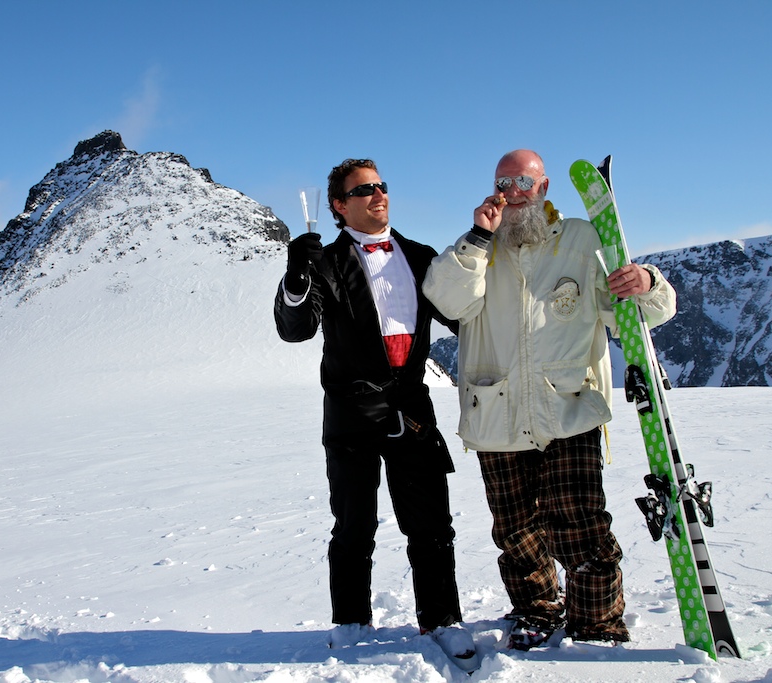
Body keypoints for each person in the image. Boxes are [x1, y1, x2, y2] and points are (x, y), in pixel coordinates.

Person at [422, 149, 677, 647]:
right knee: (516, 531)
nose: (513, 191)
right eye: (504, 181)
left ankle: (597, 623)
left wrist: (648, 283)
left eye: (523, 180)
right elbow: (446, 299)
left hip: (569, 406)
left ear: (543, 187)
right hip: (496, 411)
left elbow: (646, 313)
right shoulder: (477, 248)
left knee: (580, 524)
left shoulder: (582, 240)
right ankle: (536, 609)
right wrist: (478, 238)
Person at [274, 158, 474, 659]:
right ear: (339, 206)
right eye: (363, 190)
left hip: (412, 408)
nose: (377, 194)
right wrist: (296, 274)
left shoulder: (423, 257)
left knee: (431, 522)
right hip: (351, 413)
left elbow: (465, 317)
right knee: (353, 524)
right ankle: (350, 621)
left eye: (381, 185)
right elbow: (294, 328)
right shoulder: (324, 263)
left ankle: (442, 619)